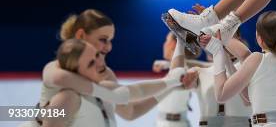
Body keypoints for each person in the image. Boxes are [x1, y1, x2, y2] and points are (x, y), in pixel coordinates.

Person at [41, 10, 170, 121]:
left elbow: (130, 112)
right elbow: (60, 79)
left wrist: (172, 86)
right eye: (103, 39)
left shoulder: (105, 74)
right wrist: (108, 91)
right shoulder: (55, 67)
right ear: (81, 35)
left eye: (110, 41)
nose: (109, 47)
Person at [37, 39, 197, 127]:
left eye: (97, 55)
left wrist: (172, 83)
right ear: (75, 72)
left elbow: (134, 99)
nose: (100, 63)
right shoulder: (68, 99)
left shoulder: (103, 88)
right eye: (90, 64)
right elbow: (13, 113)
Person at [199, 11, 276, 126]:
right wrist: (226, 56)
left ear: (259, 38)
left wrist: (217, 50)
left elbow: (221, 95)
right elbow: (248, 97)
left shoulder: (257, 59)